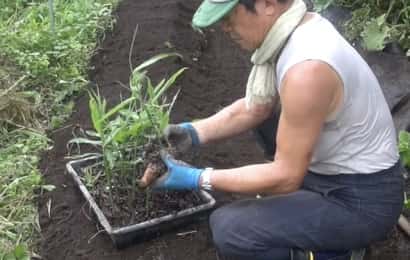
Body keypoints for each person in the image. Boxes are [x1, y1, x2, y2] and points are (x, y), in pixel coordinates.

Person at [140, 0, 404, 259]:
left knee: (231, 230)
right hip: (333, 171)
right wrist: (193, 133)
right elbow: (254, 108)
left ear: (267, 4)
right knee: (266, 119)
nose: (225, 28)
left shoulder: (307, 68)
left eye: (230, 17)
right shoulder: (297, 30)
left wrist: (197, 178)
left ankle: (336, 253)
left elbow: (286, 176)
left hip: (360, 202)